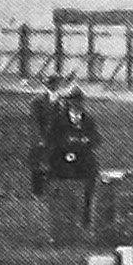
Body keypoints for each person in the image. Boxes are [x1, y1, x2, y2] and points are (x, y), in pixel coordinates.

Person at [42, 87, 101, 247]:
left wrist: (84, 141)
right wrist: (68, 145)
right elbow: (52, 139)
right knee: (63, 193)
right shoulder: (59, 120)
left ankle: (85, 221)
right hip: (63, 161)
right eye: (72, 101)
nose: (76, 104)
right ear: (68, 103)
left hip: (83, 161)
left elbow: (96, 138)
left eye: (78, 101)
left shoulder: (88, 120)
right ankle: (63, 228)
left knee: (89, 188)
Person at [27, 74, 64, 197]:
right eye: (51, 83)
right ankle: (37, 192)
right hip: (42, 138)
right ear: (47, 84)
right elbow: (34, 122)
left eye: (56, 83)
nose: (54, 85)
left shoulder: (63, 101)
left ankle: (54, 191)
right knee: (39, 165)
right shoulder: (37, 101)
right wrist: (39, 139)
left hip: (57, 138)